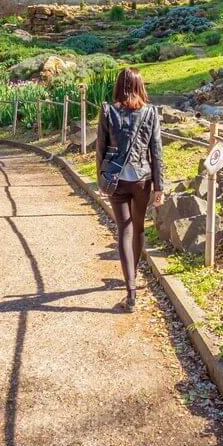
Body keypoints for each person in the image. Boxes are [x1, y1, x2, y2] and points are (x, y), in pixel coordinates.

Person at [95, 67, 163, 312]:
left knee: (124, 229)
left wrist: (101, 180)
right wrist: (159, 186)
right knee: (139, 227)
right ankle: (132, 276)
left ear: (119, 86)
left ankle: (131, 292)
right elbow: (156, 152)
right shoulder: (150, 113)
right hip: (143, 180)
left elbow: (100, 151)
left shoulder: (108, 111)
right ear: (139, 86)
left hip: (116, 180)